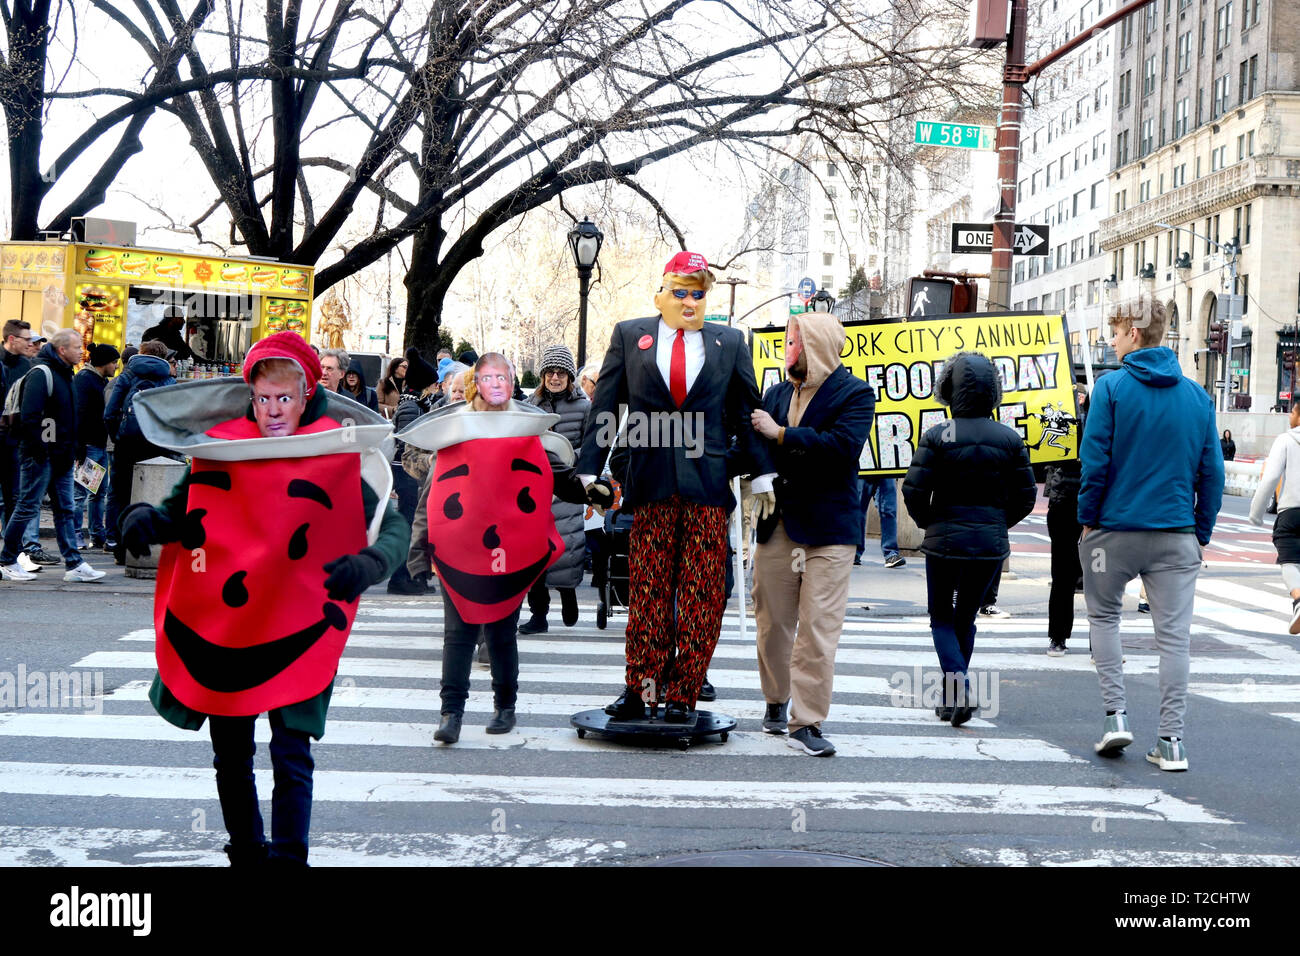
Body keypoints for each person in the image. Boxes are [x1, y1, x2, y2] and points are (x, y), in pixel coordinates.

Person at [122, 332, 408, 865]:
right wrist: (150, 521)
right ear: (250, 396)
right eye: (263, 398)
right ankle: (247, 852)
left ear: (306, 394)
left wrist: (370, 562)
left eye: (284, 398)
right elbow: (185, 509)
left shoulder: (336, 448)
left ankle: (290, 856)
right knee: (230, 753)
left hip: (299, 624)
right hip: (225, 626)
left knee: (291, 752)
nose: (273, 410)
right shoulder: (222, 446)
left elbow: (388, 525)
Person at [576, 250, 775, 723]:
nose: (689, 301)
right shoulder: (631, 336)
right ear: (662, 293)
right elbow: (607, 407)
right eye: (681, 292)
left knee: (703, 592)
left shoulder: (729, 342)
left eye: (698, 293)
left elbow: (747, 412)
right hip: (650, 481)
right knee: (646, 591)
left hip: (706, 484)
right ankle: (642, 689)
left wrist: (763, 472)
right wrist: (590, 469)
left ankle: (684, 692)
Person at [403, 353, 585, 743]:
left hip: (510, 549)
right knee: (459, 634)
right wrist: (419, 554)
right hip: (459, 550)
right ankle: (451, 713)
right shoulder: (455, 431)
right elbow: (432, 496)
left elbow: (556, 476)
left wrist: (590, 490)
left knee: (501, 632)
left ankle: (505, 706)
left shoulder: (524, 429)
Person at [1079, 298, 1223, 772]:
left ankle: (1115, 715)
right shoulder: (1198, 397)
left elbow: (1094, 462)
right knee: (1174, 640)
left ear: (1134, 335)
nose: (1111, 340)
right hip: (1177, 535)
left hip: (1114, 531)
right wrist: (1199, 531)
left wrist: (1088, 519)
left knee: (1103, 619)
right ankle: (1172, 742)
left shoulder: (1111, 388)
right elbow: (1211, 474)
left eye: (1116, 333)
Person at [749, 311, 874, 756]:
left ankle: (808, 721)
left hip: (829, 531)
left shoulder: (855, 393)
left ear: (817, 344)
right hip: (777, 523)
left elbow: (841, 449)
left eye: (794, 341)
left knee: (818, 630)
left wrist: (781, 434)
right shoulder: (778, 392)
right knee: (773, 624)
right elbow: (756, 449)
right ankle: (776, 701)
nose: (787, 349)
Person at [902, 352, 1037, 727]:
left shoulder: (938, 435)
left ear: (950, 389)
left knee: (940, 618)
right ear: (994, 391)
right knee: (966, 619)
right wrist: (997, 523)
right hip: (989, 544)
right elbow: (1026, 497)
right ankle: (952, 697)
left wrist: (931, 522)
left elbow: (913, 491)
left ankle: (957, 692)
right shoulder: (1010, 439)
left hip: (944, 541)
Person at [0, 329, 107, 583]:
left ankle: (74, 563)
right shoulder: (42, 374)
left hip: (60, 455)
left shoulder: (66, 374)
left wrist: (76, 447)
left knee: (66, 509)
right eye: (77, 347)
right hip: (41, 455)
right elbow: (30, 416)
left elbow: (68, 418)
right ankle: (7, 560)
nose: (82, 351)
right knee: (27, 506)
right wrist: (37, 450)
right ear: (62, 350)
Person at [520, 345, 591, 634]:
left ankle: (568, 593)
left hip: (569, 484)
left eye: (561, 373)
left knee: (567, 548)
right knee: (534, 552)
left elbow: (592, 444)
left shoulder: (585, 406)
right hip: (536, 486)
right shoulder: (529, 405)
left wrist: (567, 457)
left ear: (570, 376)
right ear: (543, 375)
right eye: (550, 372)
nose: (555, 377)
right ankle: (539, 613)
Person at [104, 341, 176, 564]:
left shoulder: (127, 376)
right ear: (164, 356)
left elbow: (110, 413)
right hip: (156, 444)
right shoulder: (168, 379)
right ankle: (145, 546)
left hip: (126, 444)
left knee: (119, 493)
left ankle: (117, 544)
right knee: (151, 494)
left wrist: (118, 436)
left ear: (141, 353)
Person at [386, 347, 440, 596]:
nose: (435, 388)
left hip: (410, 476)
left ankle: (414, 576)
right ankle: (400, 578)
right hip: (406, 475)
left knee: (415, 526)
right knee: (409, 526)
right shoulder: (411, 407)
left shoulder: (416, 404)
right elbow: (408, 442)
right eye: (433, 384)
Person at [1248, 398, 1300, 632]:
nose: (1289, 418)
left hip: (1292, 511)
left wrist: (1256, 514)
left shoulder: (1287, 439)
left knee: (1289, 558)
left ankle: (1299, 600)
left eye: (1291, 413)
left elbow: (1270, 478)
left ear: (1298, 414)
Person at [1045, 383, 1089, 656]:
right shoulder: (1100, 422)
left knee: (1062, 575)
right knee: (1096, 578)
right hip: (1086, 504)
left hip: (1066, 503)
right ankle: (1097, 643)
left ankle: (1058, 637)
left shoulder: (1059, 423)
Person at [73, 343, 120, 550]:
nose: (116, 366)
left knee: (98, 494)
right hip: (90, 445)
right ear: (103, 363)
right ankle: (75, 535)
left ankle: (96, 534)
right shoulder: (85, 380)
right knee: (81, 494)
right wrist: (80, 445)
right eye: (113, 362)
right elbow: (80, 415)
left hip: (98, 445)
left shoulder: (100, 380)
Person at [854, 477, 905, 568]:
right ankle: (855, 552)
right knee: (858, 512)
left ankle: (891, 553)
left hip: (885, 470)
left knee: (889, 510)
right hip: (864, 468)